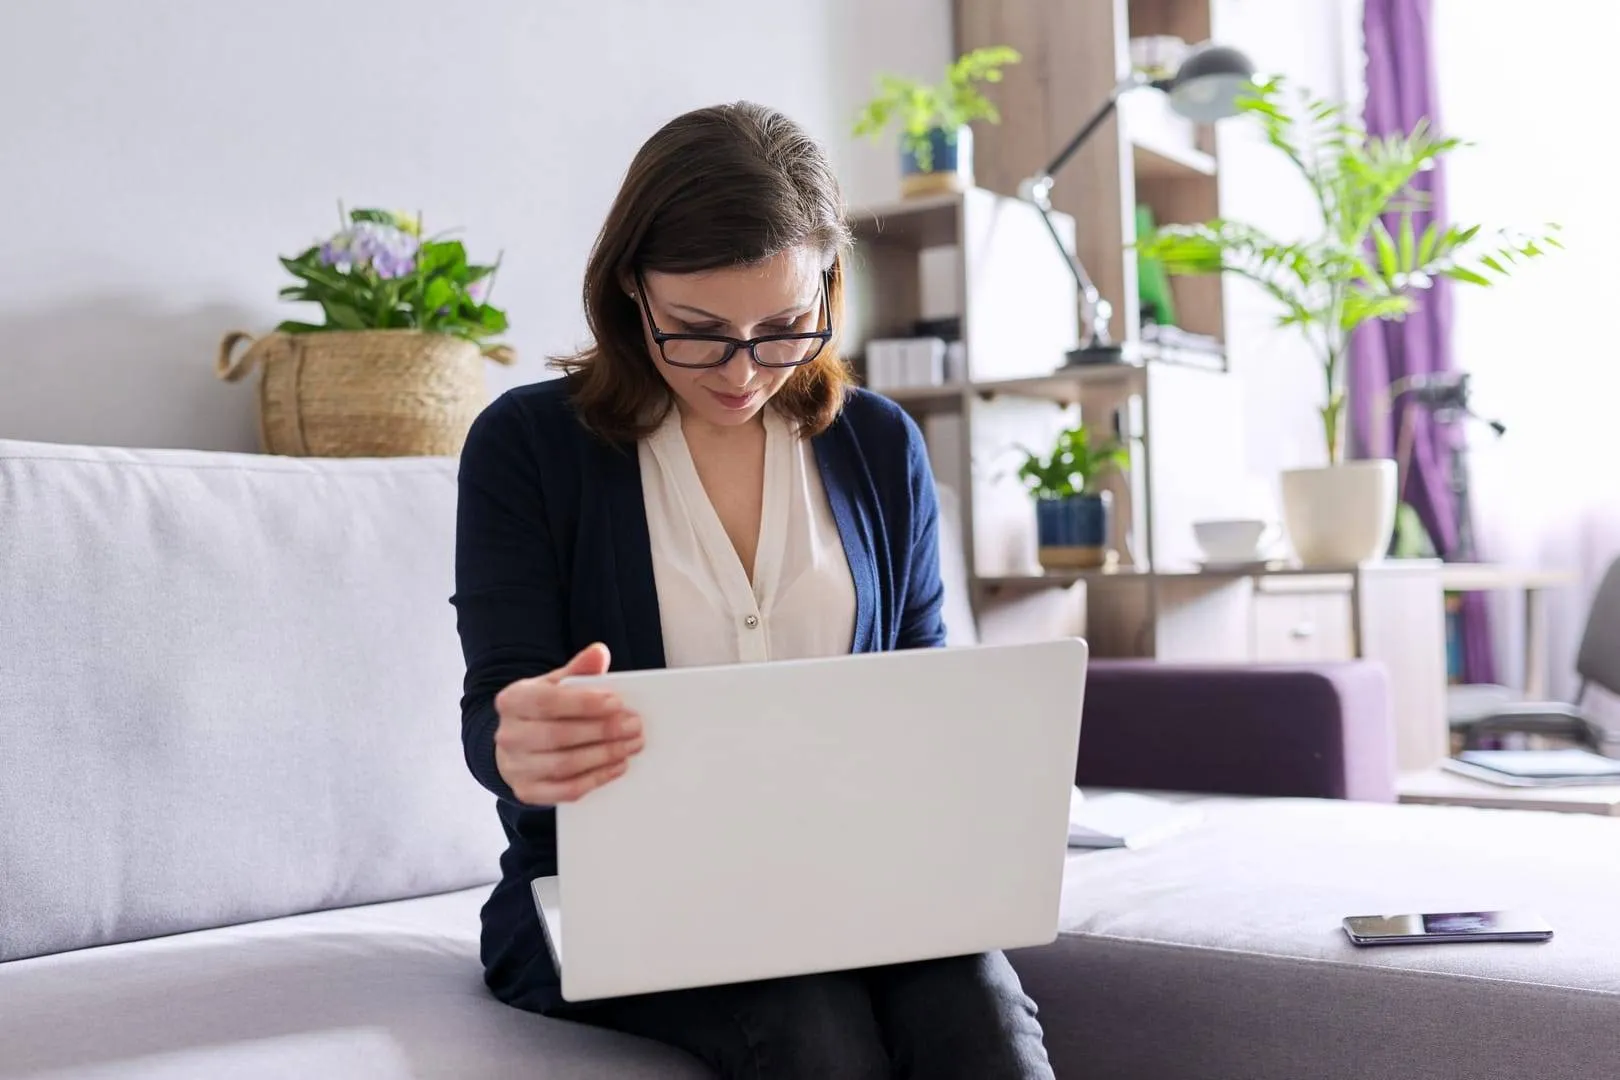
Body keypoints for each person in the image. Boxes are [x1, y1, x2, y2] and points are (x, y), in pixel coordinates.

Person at [451, 100, 1054, 1079]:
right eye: (697, 331)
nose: (744, 371)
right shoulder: (528, 447)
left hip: (856, 890)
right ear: (630, 291)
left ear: (828, 287)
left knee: (975, 1010)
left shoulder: (878, 445)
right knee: (812, 1018)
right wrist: (519, 742)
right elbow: (496, 716)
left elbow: (925, 703)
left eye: (784, 329)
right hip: (612, 905)